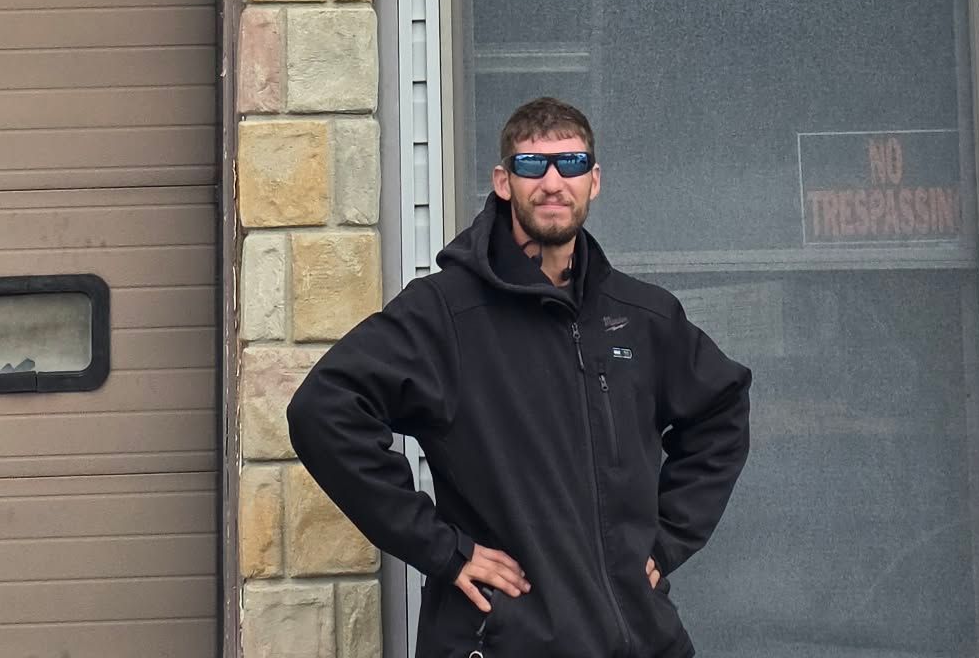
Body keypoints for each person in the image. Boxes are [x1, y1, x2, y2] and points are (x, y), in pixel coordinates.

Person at [286, 96, 752, 657]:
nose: (554, 182)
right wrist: (442, 549)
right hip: (508, 641)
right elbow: (324, 410)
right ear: (504, 182)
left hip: (643, 641)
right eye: (533, 166)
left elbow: (721, 408)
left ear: (595, 180)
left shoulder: (640, 316)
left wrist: (667, 539)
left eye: (571, 164)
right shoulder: (446, 315)